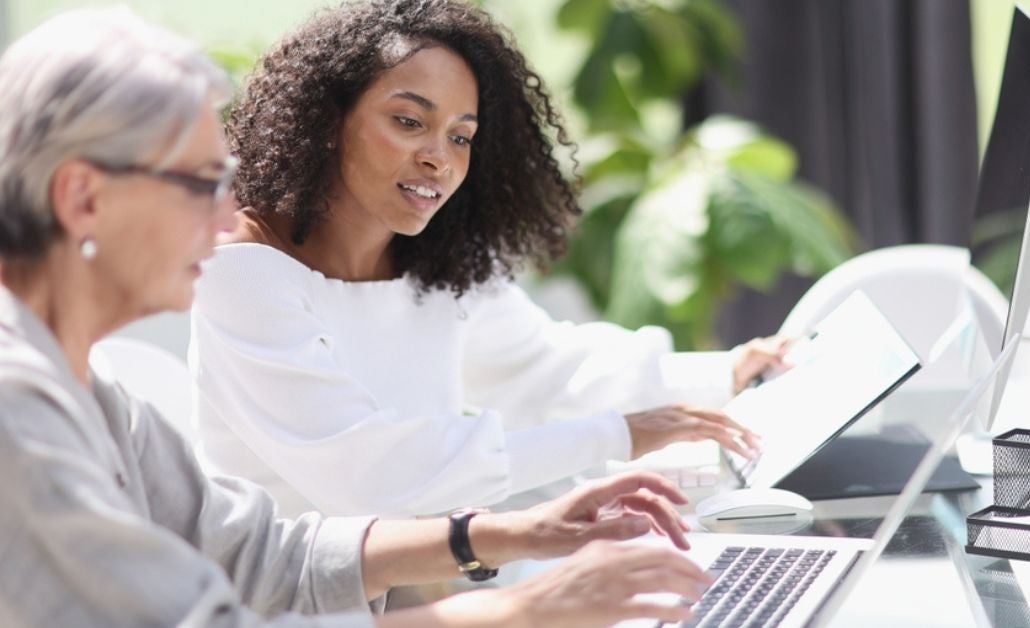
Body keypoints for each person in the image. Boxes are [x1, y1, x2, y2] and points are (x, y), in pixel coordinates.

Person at [0, 8, 712, 626]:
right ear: (83, 199)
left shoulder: (93, 396)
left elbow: (263, 554)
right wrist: (521, 609)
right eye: (200, 184)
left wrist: (517, 532)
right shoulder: (16, 414)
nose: (229, 217)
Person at [191, 0, 789, 518]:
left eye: (461, 136)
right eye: (408, 122)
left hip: (422, 583)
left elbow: (541, 368)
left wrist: (723, 374)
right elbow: (375, 476)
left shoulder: (432, 261)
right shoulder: (242, 273)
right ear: (326, 121)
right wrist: (619, 436)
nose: (440, 160)